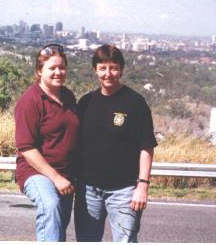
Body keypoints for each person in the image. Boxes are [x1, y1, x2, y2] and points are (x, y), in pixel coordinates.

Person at [74, 44, 157, 242]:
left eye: (113, 68)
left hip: (124, 191)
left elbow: (146, 147)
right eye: (102, 68)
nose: (108, 73)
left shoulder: (135, 103)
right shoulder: (85, 103)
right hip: (88, 191)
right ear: (95, 70)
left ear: (121, 69)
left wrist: (142, 186)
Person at [14, 44, 79, 242]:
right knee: (50, 206)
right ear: (39, 71)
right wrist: (55, 178)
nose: (58, 72)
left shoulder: (67, 96)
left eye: (62, 67)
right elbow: (26, 148)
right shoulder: (30, 101)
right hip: (36, 172)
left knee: (57, 229)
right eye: (52, 68)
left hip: (65, 173)